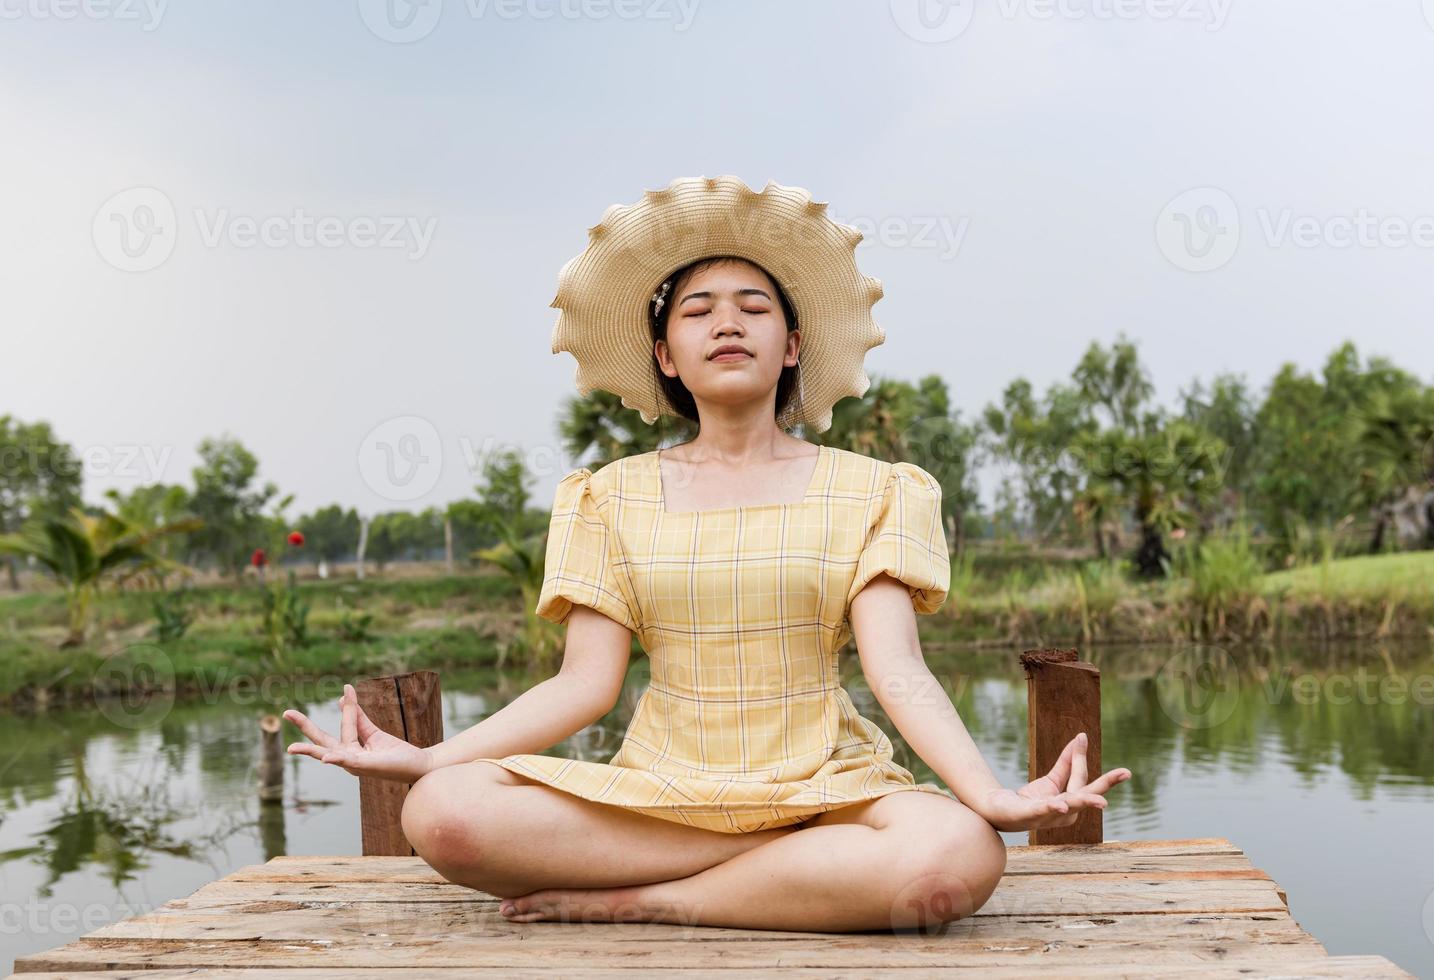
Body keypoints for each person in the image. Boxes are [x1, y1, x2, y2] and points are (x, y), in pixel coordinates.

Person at [282, 176, 1130, 932]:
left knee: (954, 858)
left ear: (792, 346)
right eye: (697, 310)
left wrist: (984, 794)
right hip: (663, 794)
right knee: (445, 812)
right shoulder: (605, 496)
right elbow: (585, 685)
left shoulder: (877, 490)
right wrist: (430, 758)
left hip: (823, 793)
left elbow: (895, 668)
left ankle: (655, 900)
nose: (727, 322)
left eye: (755, 307)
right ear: (665, 356)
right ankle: (778, 886)